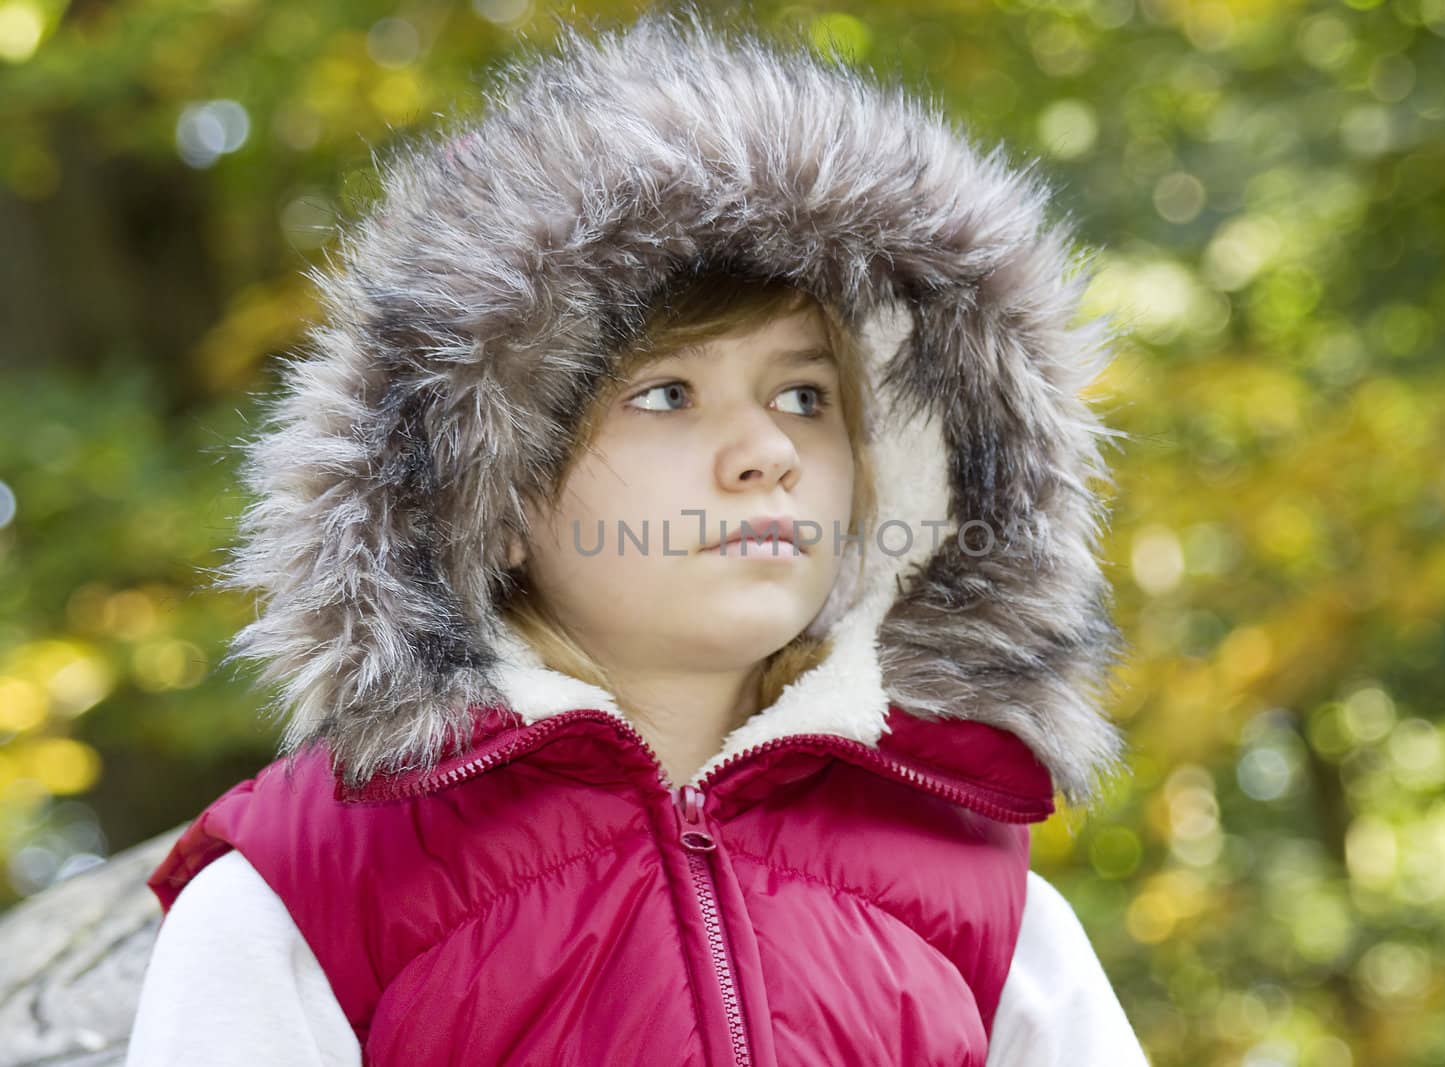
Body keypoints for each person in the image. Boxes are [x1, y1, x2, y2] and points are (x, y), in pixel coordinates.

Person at [126, 9, 1149, 1065]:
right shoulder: (313, 887)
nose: (767, 452)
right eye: (666, 393)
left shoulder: (980, 897)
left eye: (805, 393)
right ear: (495, 494)